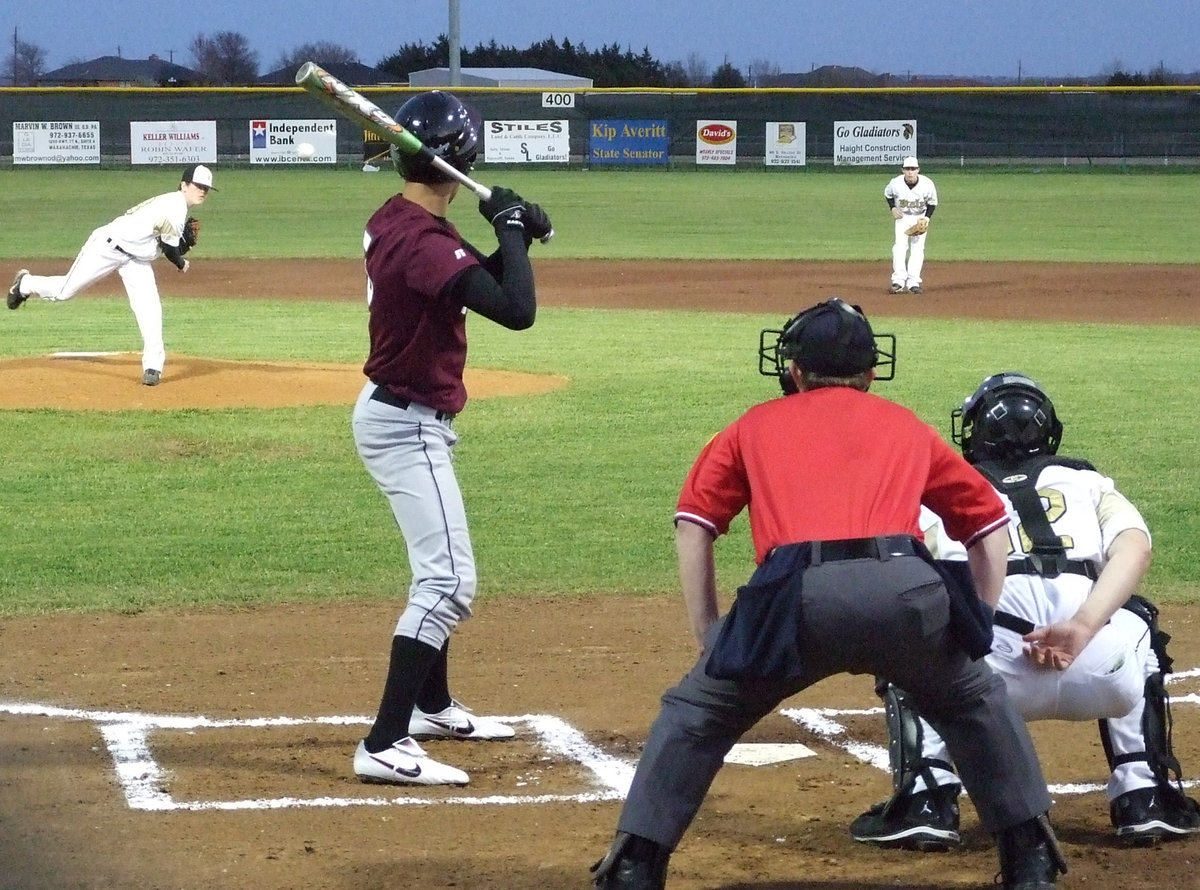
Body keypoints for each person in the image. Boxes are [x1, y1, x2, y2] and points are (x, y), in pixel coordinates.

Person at [590, 300, 1067, 890]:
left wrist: (710, 634)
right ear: (871, 372)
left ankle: (635, 865)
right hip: (905, 591)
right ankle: (1030, 859)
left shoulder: (752, 425)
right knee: (974, 701)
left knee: (699, 714)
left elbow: (695, 525)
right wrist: (976, 625)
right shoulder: (904, 424)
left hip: (796, 598)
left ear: (794, 370)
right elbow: (989, 526)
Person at [850, 372, 1200, 850]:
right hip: (1098, 667)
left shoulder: (942, 488)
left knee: (909, 635)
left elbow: (900, 573)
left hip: (985, 682)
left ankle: (925, 800)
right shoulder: (1088, 483)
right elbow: (1136, 550)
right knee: (1139, 624)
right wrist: (1083, 625)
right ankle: (1145, 795)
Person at [349, 90, 552, 787]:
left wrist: (516, 236)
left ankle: (430, 706)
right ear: (459, 161)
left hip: (402, 414)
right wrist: (512, 229)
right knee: (449, 581)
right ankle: (384, 742)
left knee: (435, 571)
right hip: (405, 426)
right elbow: (518, 310)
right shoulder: (422, 240)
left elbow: (474, 281)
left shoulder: (399, 220)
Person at [6, 164, 214, 386]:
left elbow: (160, 241)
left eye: (206, 188)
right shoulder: (175, 208)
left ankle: (153, 367)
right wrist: (181, 263)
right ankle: (25, 283)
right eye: (198, 185)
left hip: (136, 259)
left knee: (150, 309)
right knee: (64, 292)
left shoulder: (174, 204)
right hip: (107, 247)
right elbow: (171, 250)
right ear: (184, 185)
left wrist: (171, 249)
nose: (202, 191)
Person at [884, 156, 937, 294]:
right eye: (907, 169)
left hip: (920, 218)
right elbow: (888, 194)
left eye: (913, 169)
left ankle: (913, 283)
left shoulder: (927, 184)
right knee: (899, 248)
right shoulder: (895, 183)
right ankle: (898, 281)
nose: (910, 172)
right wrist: (892, 208)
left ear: (918, 170)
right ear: (903, 170)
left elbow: (932, 203)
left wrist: (926, 218)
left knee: (917, 249)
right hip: (902, 218)